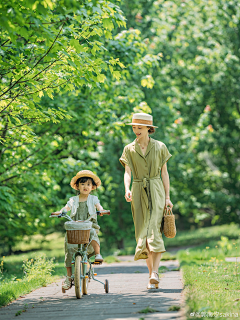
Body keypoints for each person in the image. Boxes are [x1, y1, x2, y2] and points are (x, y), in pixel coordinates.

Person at [119, 113, 173, 289]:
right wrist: (127, 189)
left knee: (153, 231)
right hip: (137, 191)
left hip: (156, 190)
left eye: (139, 128)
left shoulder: (160, 147)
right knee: (142, 234)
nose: (136, 131)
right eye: (134, 127)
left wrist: (167, 197)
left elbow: (164, 173)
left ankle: (155, 273)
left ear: (149, 129)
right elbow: (127, 172)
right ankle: (152, 275)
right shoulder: (129, 149)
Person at [51, 170, 105, 291]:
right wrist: (61, 211)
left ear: (92, 187)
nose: (85, 186)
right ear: (77, 186)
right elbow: (67, 207)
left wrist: (101, 210)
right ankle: (69, 277)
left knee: (92, 233)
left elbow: (99, 206)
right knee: (69, 246)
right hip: (75, 227)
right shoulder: (73, 199)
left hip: (89, 225)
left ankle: (98, 254)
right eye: (82, 184)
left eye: (88, 184)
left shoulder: (93, 198)